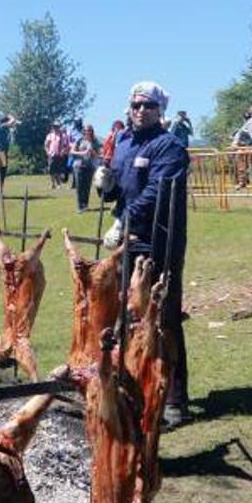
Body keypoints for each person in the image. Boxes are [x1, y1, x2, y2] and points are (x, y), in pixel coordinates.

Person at [98, 82, 190, 429]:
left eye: (148, 105)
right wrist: (104, 185)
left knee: (163, 319)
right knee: (127, 314)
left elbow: (155, 193)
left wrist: (122, 220)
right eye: (135, 105)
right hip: (127, 243)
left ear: (160, 109)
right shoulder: (123, 143)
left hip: (159, 243)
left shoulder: (170, 147)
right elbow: (118, 192)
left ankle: (175, 402)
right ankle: (135, 386)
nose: (140, 110)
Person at [69, 123, 101, 212]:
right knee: (79, 186)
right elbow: (72, 151)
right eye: (86, 130)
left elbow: (98, 155)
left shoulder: (95, 141)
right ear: (83, 131)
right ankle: (80, 206)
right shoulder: (79, 140)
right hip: (78, 165)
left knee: (87, 186)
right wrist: (82, 153)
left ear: (92, 131)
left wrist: (92, 152)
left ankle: (85, 205)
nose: (88, 132)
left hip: (90, 166)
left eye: (89, 130)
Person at [0, 114, 18, 197]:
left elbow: (12, 125)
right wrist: (11, 116)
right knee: (0, 173)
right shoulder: (1, 126)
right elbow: (11, 122)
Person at [45, 124, 70, 188]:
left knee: (58, 170)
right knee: (51, 169)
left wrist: (63, 151)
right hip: (51, 154)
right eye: (54, 127)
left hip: (59, 155)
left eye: (57, 127)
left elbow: (66, 145)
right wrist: (48, 152)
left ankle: (59, 184)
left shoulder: (62, 136)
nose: (55, 128)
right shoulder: (49, 135)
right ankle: (52, 184)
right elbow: (46, 145)